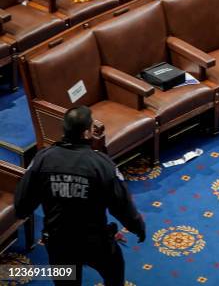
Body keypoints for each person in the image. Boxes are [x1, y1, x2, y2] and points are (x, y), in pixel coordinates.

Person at [14, 106, 146, 286]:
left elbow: (22, 205)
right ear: (86, 133)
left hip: (58, 241)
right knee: (115, 272)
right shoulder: (102, 164)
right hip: (95, 242)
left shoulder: (42, 159)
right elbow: (121, 204)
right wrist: (137, 226)